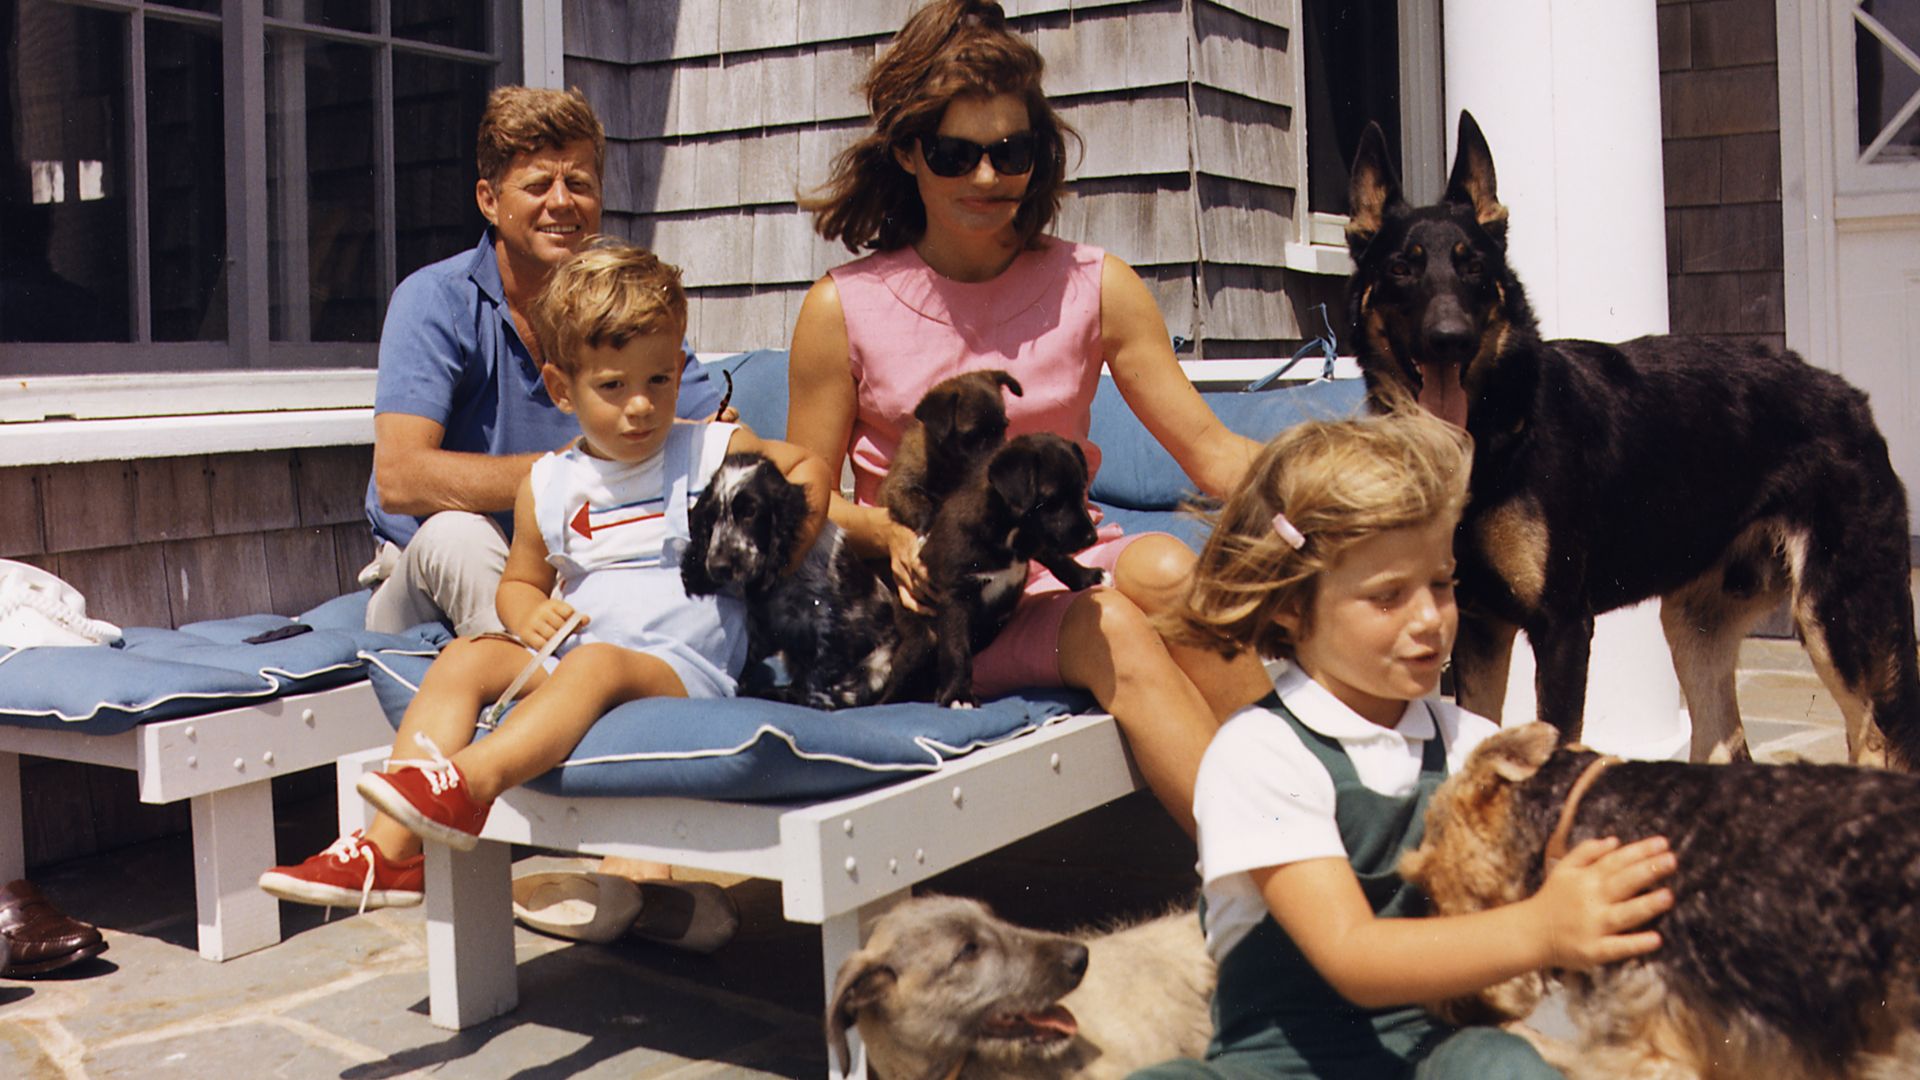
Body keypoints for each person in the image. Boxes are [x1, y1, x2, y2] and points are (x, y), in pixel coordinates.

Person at [787, 0, 1271, 834]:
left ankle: (1333, 816)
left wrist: (1356, 492)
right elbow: (805, 496)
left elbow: (1213, 453)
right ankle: (1274, 881)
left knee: (1158, 564)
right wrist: (891, 537)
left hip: (1060, 570)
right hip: (939, 612)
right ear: (908, 153)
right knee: (1111, 621)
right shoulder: (843, 308)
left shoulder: (1097, 285)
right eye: (955, 154)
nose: (987, 178)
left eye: (1011, 152)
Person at [262, 242, 830, 946]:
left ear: (682, 371)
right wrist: (526, 614)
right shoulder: (549, 485)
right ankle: (387, 852)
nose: (642, 405)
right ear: (564, 390)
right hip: (583, 653)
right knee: (468, 657)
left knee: (596, 666)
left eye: (660, 379)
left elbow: (805, 467)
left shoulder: (707, 450)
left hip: (682, 665)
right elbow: (521, 581)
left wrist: (769, 558)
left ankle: (465, 787)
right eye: (613, 386)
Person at [1132, 410, 1676, 1079]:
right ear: (1291, 608)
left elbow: (1587, 827)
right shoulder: (1258, 755)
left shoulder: (1472, 747)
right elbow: (1350, 954)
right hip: (1278, 1069)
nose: (1429, 619)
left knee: (1502, 1063)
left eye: (1442, 584)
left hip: (1428, 1059)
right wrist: (1540, 929)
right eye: (1388, 597)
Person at [362, 85, 723, 640]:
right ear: (488, 200)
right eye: (537, 185)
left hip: (574, 566)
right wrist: (576, 468)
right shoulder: (435, 298)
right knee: (461, 535)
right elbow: (402, 477)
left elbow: (709, 433)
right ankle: (535, 695)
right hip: (427, 575)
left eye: (578, 183)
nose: (561, 202)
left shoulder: (619, 307)